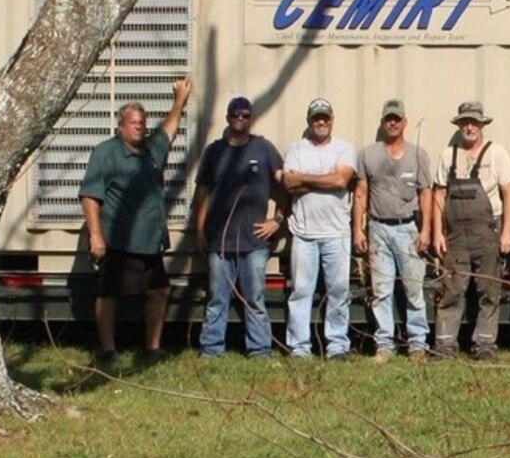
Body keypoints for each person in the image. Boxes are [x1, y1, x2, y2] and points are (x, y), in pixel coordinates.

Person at [79, 76, 192, 365]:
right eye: (134, 123)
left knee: (159, 291)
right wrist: (95, 235)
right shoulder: (106, 152)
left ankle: (152, 349)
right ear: (121, 126)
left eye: (142, 122)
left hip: (150, 242)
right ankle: (108, 351)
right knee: (109, 295)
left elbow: (169, 128)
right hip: (118, 240)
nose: (140, 127)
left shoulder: (152, 151)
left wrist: (179, 100)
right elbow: (90, 196)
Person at [191, 95, 284, 358]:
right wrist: (199, 230)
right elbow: (202, 193)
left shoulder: (263, 149)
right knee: (218, 297)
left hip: (254, 241)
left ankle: (260, 350)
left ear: (251, 119)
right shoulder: (214, 151)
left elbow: (285, 185)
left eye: (245, 115)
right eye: (235, 115)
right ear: (228, 118)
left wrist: (276, 221)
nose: (240, 119)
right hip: (219, 240)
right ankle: (211, 350)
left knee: (254, 299)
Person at [423, 101, 510, 360]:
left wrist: (508, 232)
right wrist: (437, 233)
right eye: (465, 122)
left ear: (482, 125)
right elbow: (438, 195)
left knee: (488, 290)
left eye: (474, 122)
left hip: (487, 232)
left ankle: (484, 345)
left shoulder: (497, 153)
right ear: (459, 125)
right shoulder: (448, 155)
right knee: (452, 289)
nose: (469, 126)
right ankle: (444, 346)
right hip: (454, 236)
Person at [353, 98, 434, 363]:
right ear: (383, 122)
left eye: (397, 119)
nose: (392, 123)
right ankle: (384, 345)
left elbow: (426, 196)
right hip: (377, 229)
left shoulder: (418, 154)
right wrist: (359, 230)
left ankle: (418, 345)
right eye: (388, 118)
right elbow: (361, 193)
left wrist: (426, 232)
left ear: (405, 122)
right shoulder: (368, 154)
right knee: (381, 290)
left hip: (408, 229)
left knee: (414, 290)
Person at [279, 97, 357, 359]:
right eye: (316, 118)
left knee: (338, 291)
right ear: (309, 121)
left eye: (325, 117)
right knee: (300, 291)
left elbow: (341, 180)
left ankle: (337, 345)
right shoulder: (297, 149)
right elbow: (289, 185)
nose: (321, 122)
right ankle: (299, 347)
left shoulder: (345, 148)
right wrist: (325, 181)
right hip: (303, 234)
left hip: (337, 233)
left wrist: (305, 178)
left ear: (332, 120)